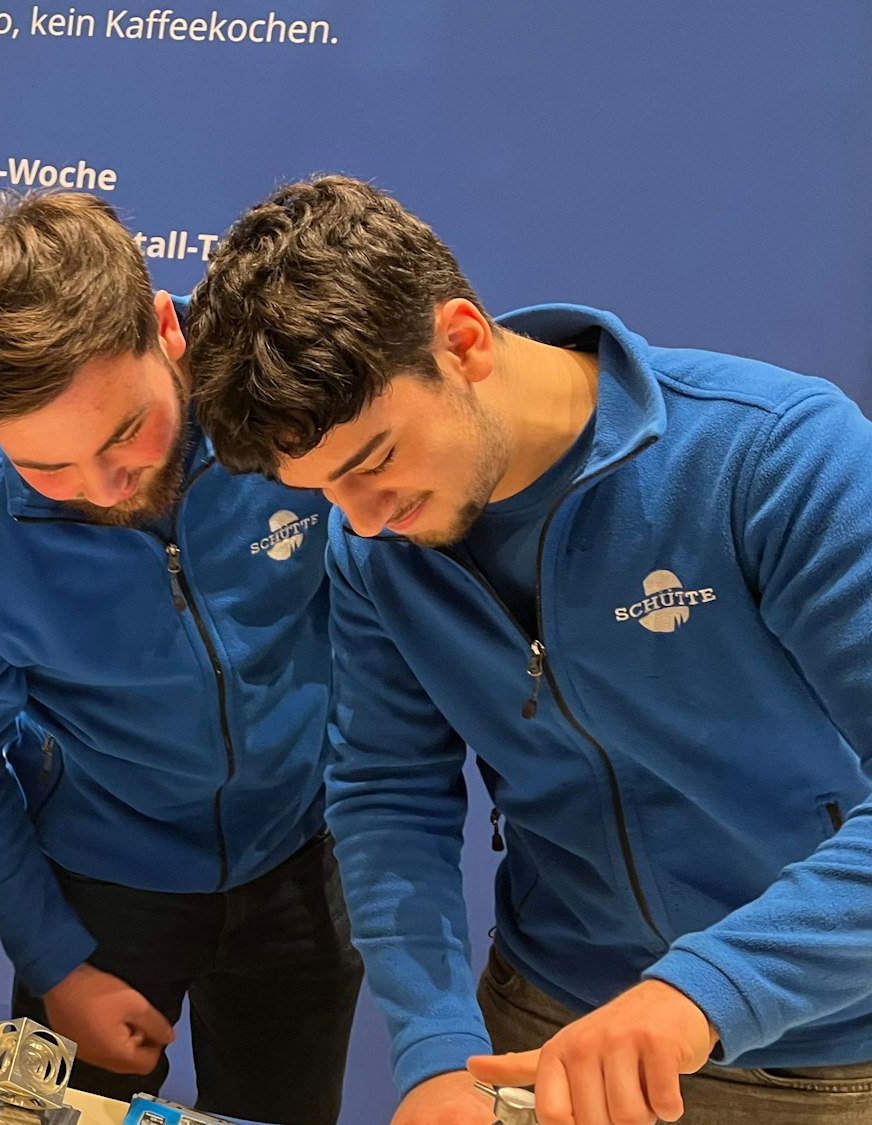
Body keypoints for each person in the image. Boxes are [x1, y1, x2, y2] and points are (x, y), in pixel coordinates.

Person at [191, 174, 872, 1125]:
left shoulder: (777, 458)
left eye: (375, 460)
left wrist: (706, 988)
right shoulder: (373, 549)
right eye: (323, 493)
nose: (365, 521)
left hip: (819, 1051)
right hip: (541, 1027)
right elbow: (389, 792)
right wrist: (434, 1048)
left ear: (462, 342)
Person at [0, 192, 359, 1123]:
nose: (101, 487)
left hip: (298, 857)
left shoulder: (283, 419)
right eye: (45, 469)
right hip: (102, 888)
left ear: (165, 328)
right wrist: (55, 960)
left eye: (123, 433)